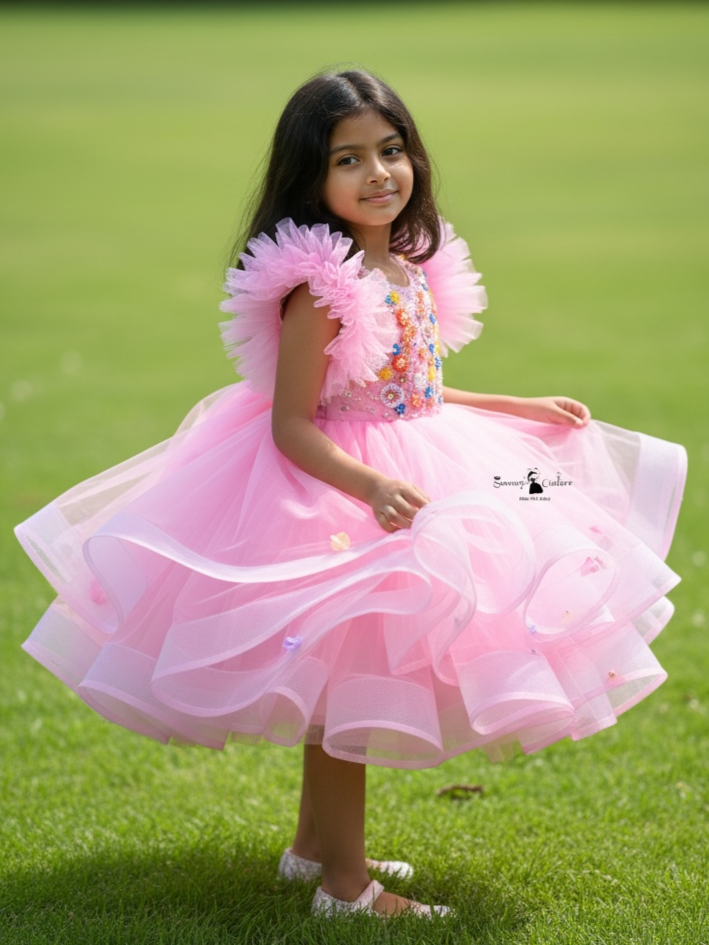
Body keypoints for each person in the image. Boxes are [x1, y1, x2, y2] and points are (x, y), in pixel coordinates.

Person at [15, 69, 686, 920]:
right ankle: (344, 887)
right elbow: (291, 423)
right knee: (345, 683)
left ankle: (312, 851)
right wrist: (369, 485)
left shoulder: (408, 264)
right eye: (349, 159)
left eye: (392, 150)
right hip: (333, 491)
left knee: (360, 664)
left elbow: (417, 390)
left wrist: (517, 405)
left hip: (421, 454)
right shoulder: (319, 291)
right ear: (311, 179)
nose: (379, 173)